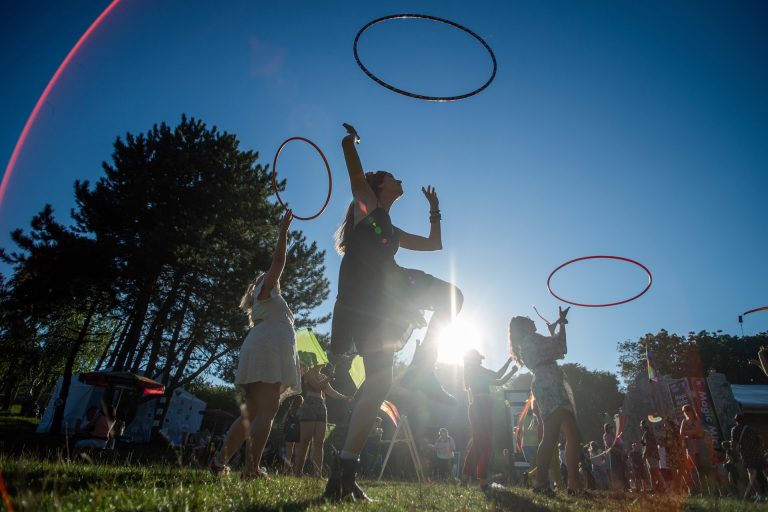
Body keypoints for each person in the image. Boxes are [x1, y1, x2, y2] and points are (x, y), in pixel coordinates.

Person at [324, 123, 463, 501]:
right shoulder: (366, 208)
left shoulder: (392, 230)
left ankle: (344, 471)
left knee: (379, 385)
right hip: (367, 303)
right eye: (393, 177)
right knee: (453, 299)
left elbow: (435, 244)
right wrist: (347, 143)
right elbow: (355, 180)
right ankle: (422, 370)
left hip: (383, 301)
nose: (400, 179)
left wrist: (436, 210)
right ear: (379, 186)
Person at [210, 210, 300, 479]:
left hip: (263, 346)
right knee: (268, 410)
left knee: (251, 412)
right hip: (268, 346)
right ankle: (251, 469)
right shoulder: (266, 288)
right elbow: (279, 260)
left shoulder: (267, 304)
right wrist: (283, 231)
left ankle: (219, 462)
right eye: (270, 275)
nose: (275, 276)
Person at [508, 307, 583, 495]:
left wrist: (552, 333)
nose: (533, 321)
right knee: (554, 434)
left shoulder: (527, 342)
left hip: (546, 383)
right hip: (550, 384)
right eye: (529, 320)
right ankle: (545, 483)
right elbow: (560, 347)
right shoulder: (532, 339)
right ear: (524, 326)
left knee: (567, 435)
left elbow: (553, 349)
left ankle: (570, 485)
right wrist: (562, 324)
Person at [461, 350, 518, 491]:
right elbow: (498, 376)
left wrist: (512, 371)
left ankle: (465, 480)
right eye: (479, 358)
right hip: (481, 408)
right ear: (473, 359)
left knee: (477, 445)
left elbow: (499, 381)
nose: (481, 361)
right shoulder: (476, 370)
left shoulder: (473, 371)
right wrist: (509, 362)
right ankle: (482, 481)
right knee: (485, 445)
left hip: (481, 407)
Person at [294, 362, 353, 476]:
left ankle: (317, 474)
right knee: (305, 440)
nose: (325, 362)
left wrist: (345, 397)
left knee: (319, 442)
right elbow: (317, 386)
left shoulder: (323, 376)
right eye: (323, 359)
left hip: (321, 406)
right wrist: (330, 378)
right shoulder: (308, 372)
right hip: (309, 404)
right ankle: (298, 472)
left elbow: (331, 392)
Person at [731, 413, 765, 499]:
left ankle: (759, 494)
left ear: (736, 421)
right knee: (761, 474)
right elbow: (760, 441)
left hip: (746, 456)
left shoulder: (735, 429)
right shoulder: (752, 429)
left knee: (751, 475)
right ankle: (765, 493)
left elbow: (733, 445)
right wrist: (760, 452)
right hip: (757, 455)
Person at [640, 420, 666, 493]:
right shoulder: (649, 433)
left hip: (651, 455)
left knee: (654, 471)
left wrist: (644, 455)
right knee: (653, 472)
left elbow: (647, 445)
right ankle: (656, 489)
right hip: (654, 455)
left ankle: (662, 486)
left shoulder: (646, 434)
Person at [603, 421, 628, 491]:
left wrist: (623, 451)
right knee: (616, 470)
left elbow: (621, 442)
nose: (611, 429)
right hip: (614, 454)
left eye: (612, 427)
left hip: (620, 453)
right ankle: (619, 487)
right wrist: (619, 452)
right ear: (606, 429)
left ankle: (626, 486)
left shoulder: (615, 434)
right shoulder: (606, 436)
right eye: (610, 428)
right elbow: (610, 446)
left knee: (623, 469)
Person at [282, 395, 303, 473]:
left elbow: (283, 421)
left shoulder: (290, 410)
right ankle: (296, 471)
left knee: (288, 454)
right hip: (298, 433)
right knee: (297, 453)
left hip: (289, 433)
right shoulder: (301, 410)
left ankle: (285, 470)